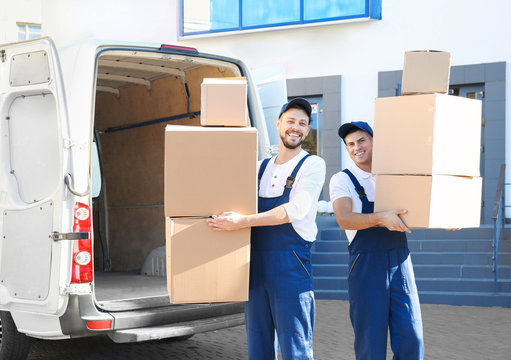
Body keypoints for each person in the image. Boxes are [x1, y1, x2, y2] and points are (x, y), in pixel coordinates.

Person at [207, 98, 326, 360]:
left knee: (295, 344)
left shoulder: (313, 165)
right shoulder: (259, 167)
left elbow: (298, 209)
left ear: (307, 130)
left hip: (291, 266)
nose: (296, 128)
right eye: (291, 121)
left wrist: (242, 221)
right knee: (259, 343)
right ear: (278, 123)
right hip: (256, 267)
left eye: (303, 124)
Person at [329, 121, 424, 360]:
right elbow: (344, 218)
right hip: (366, 265)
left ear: (374, 141)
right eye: (350, 144)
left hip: (400, 261)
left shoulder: (393, 176)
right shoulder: (342, 180)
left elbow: (420, 204)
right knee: (371, 341)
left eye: (361, 140)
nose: (356, 147)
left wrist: (445, 220)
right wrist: (381, 218)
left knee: (411, 337)